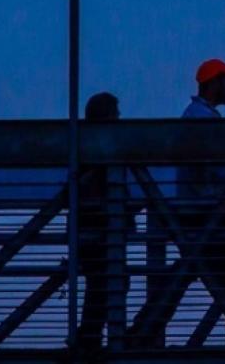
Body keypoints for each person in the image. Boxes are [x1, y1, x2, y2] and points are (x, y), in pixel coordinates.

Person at [173, 58, 225, 347]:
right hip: (209, 213)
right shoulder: (202, 119)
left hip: (200, 213)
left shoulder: (196, 116)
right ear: (214, 84)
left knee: (218, 276)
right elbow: (218, 169)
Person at [77, 92, 130, 351]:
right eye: (116, 113)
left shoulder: (88, 152)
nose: (120, 117)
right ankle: (97, 339)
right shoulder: (98, 155)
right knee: (104, 286)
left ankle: (94, 339)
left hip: (95, 237)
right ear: (107, 117)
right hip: (99, 237)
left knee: (101, 288)